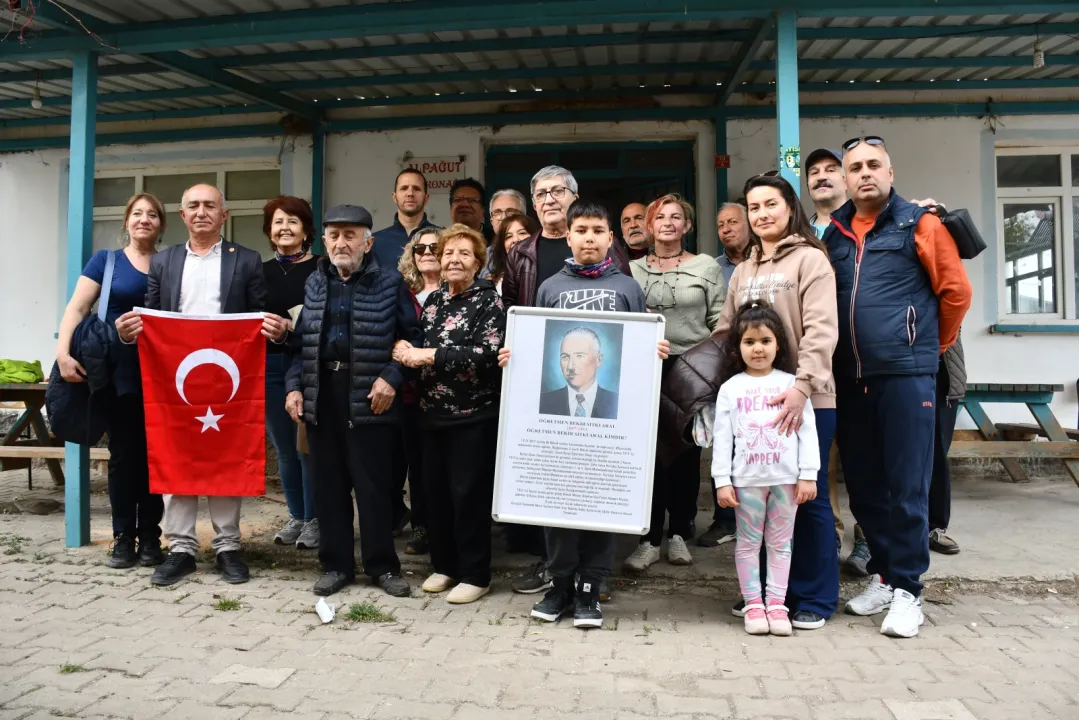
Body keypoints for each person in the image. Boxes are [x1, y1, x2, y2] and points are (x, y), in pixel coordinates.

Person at [824, 136, 972, 638]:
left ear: (890, 172)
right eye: (855, 167)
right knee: (865, 487)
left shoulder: (921, 224)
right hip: (851, 378)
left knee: (908, 486)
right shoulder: (835, 235)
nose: (864, 173)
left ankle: (910, 590)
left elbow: (956, 292)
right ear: (845, 178)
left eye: (873, 165)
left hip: (907, 377)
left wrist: (929, 346)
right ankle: (885, 575)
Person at [499, 198, 669, 628]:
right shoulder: (550, 287)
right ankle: (559, 586)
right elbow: (537, 347)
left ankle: (590, 589)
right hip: (558, 428)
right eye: (582, 231)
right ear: (568, 237)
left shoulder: (627, 288)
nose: (589, 238)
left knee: (601, 507)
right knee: (558, 507)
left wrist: (655, 352)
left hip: (608, 426)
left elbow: (635, 352)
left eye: (597, 231)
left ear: (610, 238)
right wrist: (513, 357)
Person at [116, 184, 288, 587]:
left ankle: (228, 546)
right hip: (177, 378)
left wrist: (278, 332)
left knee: (226, 455)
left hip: (229, 376)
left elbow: (261, 320)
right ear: (182, 215)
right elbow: (153, 320)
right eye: (193, 205)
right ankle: (181, 549)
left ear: (224, 215)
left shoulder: (246, 261)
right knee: (176, 453)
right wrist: (129, 333)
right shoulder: (165, 261)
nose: (202, 212)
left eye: (210, 205)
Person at [717, 174, 839, 631]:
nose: (762, 214)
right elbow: (727, 330)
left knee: (807, 497)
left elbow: (823, 330)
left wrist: (802, 388)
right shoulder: (744, 269)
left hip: (807, 400)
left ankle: (814, 597)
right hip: (752, 404)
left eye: (771, 204)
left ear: (790, 207)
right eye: (754, 207)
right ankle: (766, 598)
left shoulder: (811, 260)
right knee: (758, 502)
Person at [501, 166, 629, 594]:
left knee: (599, 488)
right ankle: (557, 574)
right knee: (555, 487)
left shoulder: (621, 275)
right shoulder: (522, 255)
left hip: (605, 413)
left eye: (558, 190)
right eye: (540, 193)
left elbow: (634, 328)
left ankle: (594, 579)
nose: (549, 198)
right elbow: (517, 319)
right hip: (552, 402)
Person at [284, 204, 421, 598]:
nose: (341, 242)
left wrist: (391, 379)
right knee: (328, 486)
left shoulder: (392, 282)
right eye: (334, 235)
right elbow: (299, 345)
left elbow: (413, 339)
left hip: (370, 393)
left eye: (350, 235)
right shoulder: (313, 283)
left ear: (368, 241)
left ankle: (383, 567)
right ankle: (336, 565)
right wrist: (295, 388)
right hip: (322, 392)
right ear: (323, 240)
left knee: (374, 486)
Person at [392, 224, 505, 604]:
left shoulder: (489, 301)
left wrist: (430, 355)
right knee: (434, 494)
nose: (454, 259)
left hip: (473, 416)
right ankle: (445, 566)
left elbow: (487, 354)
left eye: (464, 254)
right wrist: (405, 348)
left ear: (478, 262)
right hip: (430, 414)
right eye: (448, 253)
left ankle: (476, 574)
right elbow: (419, 341)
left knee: (467, 496)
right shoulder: (435, 300)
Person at [57, 193, 167, 569]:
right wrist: (62, 353)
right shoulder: (106, 261)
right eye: (137, 213)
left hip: (161, 373)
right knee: (122, 456)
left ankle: (152, 537)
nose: (144, 220)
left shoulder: (170, 263)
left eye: (152, 215)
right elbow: (77, 307)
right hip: (117, 372)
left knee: (154, 457)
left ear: (161, 224)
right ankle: (124, 537)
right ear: (126, 221)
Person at [626, 193, 726, 572]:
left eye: (676, 217)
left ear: (687, 225)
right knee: (648, 455)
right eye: (660, 217)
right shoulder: (632, 270)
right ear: (648, 227)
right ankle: (648, 538)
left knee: (685, 454)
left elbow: (720, 320)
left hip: (691, 371)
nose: (668, 222)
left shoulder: (705, 267)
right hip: (646, 369)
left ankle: (680, 532)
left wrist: (714, 370)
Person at [713, 302, 820, 636]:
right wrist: (722, 481)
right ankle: (753, 604)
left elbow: (808, 432)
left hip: (786, 482)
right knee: (747, 543)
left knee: (780, 544)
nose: (757, 348)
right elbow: (721, 438)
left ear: (778, 345)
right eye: (749, 342)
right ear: (738, 347)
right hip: (746, 482)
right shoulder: (730, 389)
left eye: (765, 341)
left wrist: (808, 474)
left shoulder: (792, 387)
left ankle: (777, 605)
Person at [261, 195, 320, 551]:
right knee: (283, 448)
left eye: (292, 221)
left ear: (306, 230)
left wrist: (291, 331)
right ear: (269, 230)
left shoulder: (321, 269)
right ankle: (296, 515)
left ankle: (315, 519)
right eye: (278, 221)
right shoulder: (259, 271)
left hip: (308, 366)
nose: (285, 228)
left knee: (307, 448)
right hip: (267, 365)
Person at [392, 224, 444, 556]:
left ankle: (444, 527)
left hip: (448, 394)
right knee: (417, 466)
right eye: (420, 249)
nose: (426, 254)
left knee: (441, 466)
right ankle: (421, 525)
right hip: (410, 393)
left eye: (434, 248)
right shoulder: (401, 292)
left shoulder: (459, 292)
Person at [930, 335, 965, 555]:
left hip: (942, 371)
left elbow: (955, 308)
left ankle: (935, 527)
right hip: (897, 368)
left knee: (937, 453)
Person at [538, 328, 619, 418]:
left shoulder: (616, 402)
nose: (570, 366)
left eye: (579, 356)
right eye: (565, 357)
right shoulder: (542, 402)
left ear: (598, 360)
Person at [372, 169, 433, 270]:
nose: (410, 193)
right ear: (394, 197)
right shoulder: (375, 242)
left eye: (416, 189)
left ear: (426, 198)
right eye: (404, 188)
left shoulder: (442, 238)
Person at [488, 211, 539, 295]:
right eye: (508, 236)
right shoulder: (494, 281)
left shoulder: (545, 270)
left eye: (522, 233)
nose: (515, 240)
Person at [716, 202, 751, 285]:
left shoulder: (765, 263)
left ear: (750, 226)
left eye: (733, 222)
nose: (725, 230)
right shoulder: (712, 268)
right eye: (721, 225)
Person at [449, 178, 491, 244]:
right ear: (451, 208)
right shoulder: (440, 240)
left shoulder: (496, 242)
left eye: (472, 200)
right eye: (458, 199)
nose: (465, 204)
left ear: (483, 210)